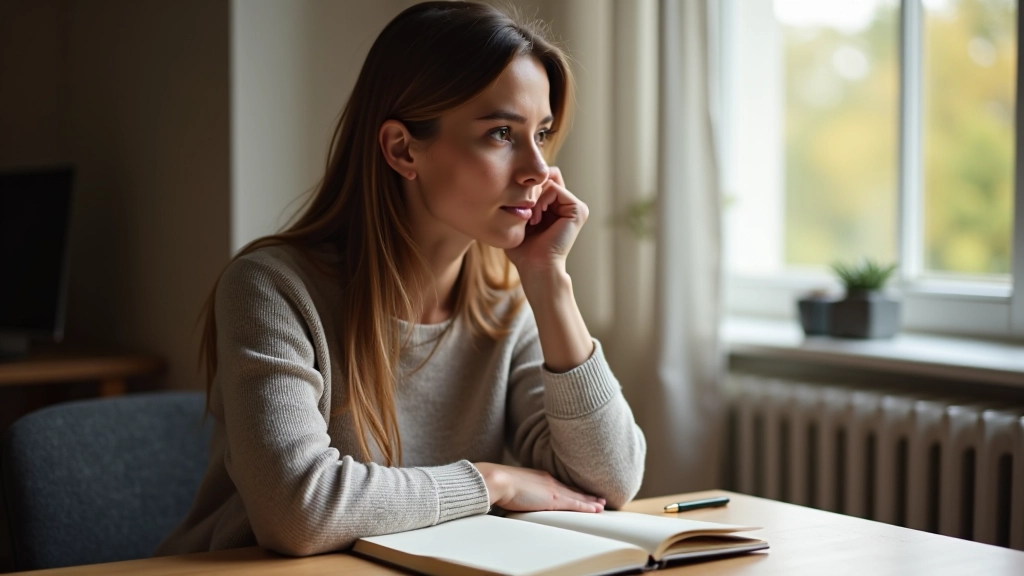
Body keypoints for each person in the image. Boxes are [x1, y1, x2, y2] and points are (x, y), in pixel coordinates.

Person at [156, 0, 646, 558]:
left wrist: (551, 284)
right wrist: (494, 483)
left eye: (543, 133)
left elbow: (611, 482)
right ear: (402, 148)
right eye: (502, 133)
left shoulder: (507, 305)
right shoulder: (271, 290)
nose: (538, 169)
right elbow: (297, 509)